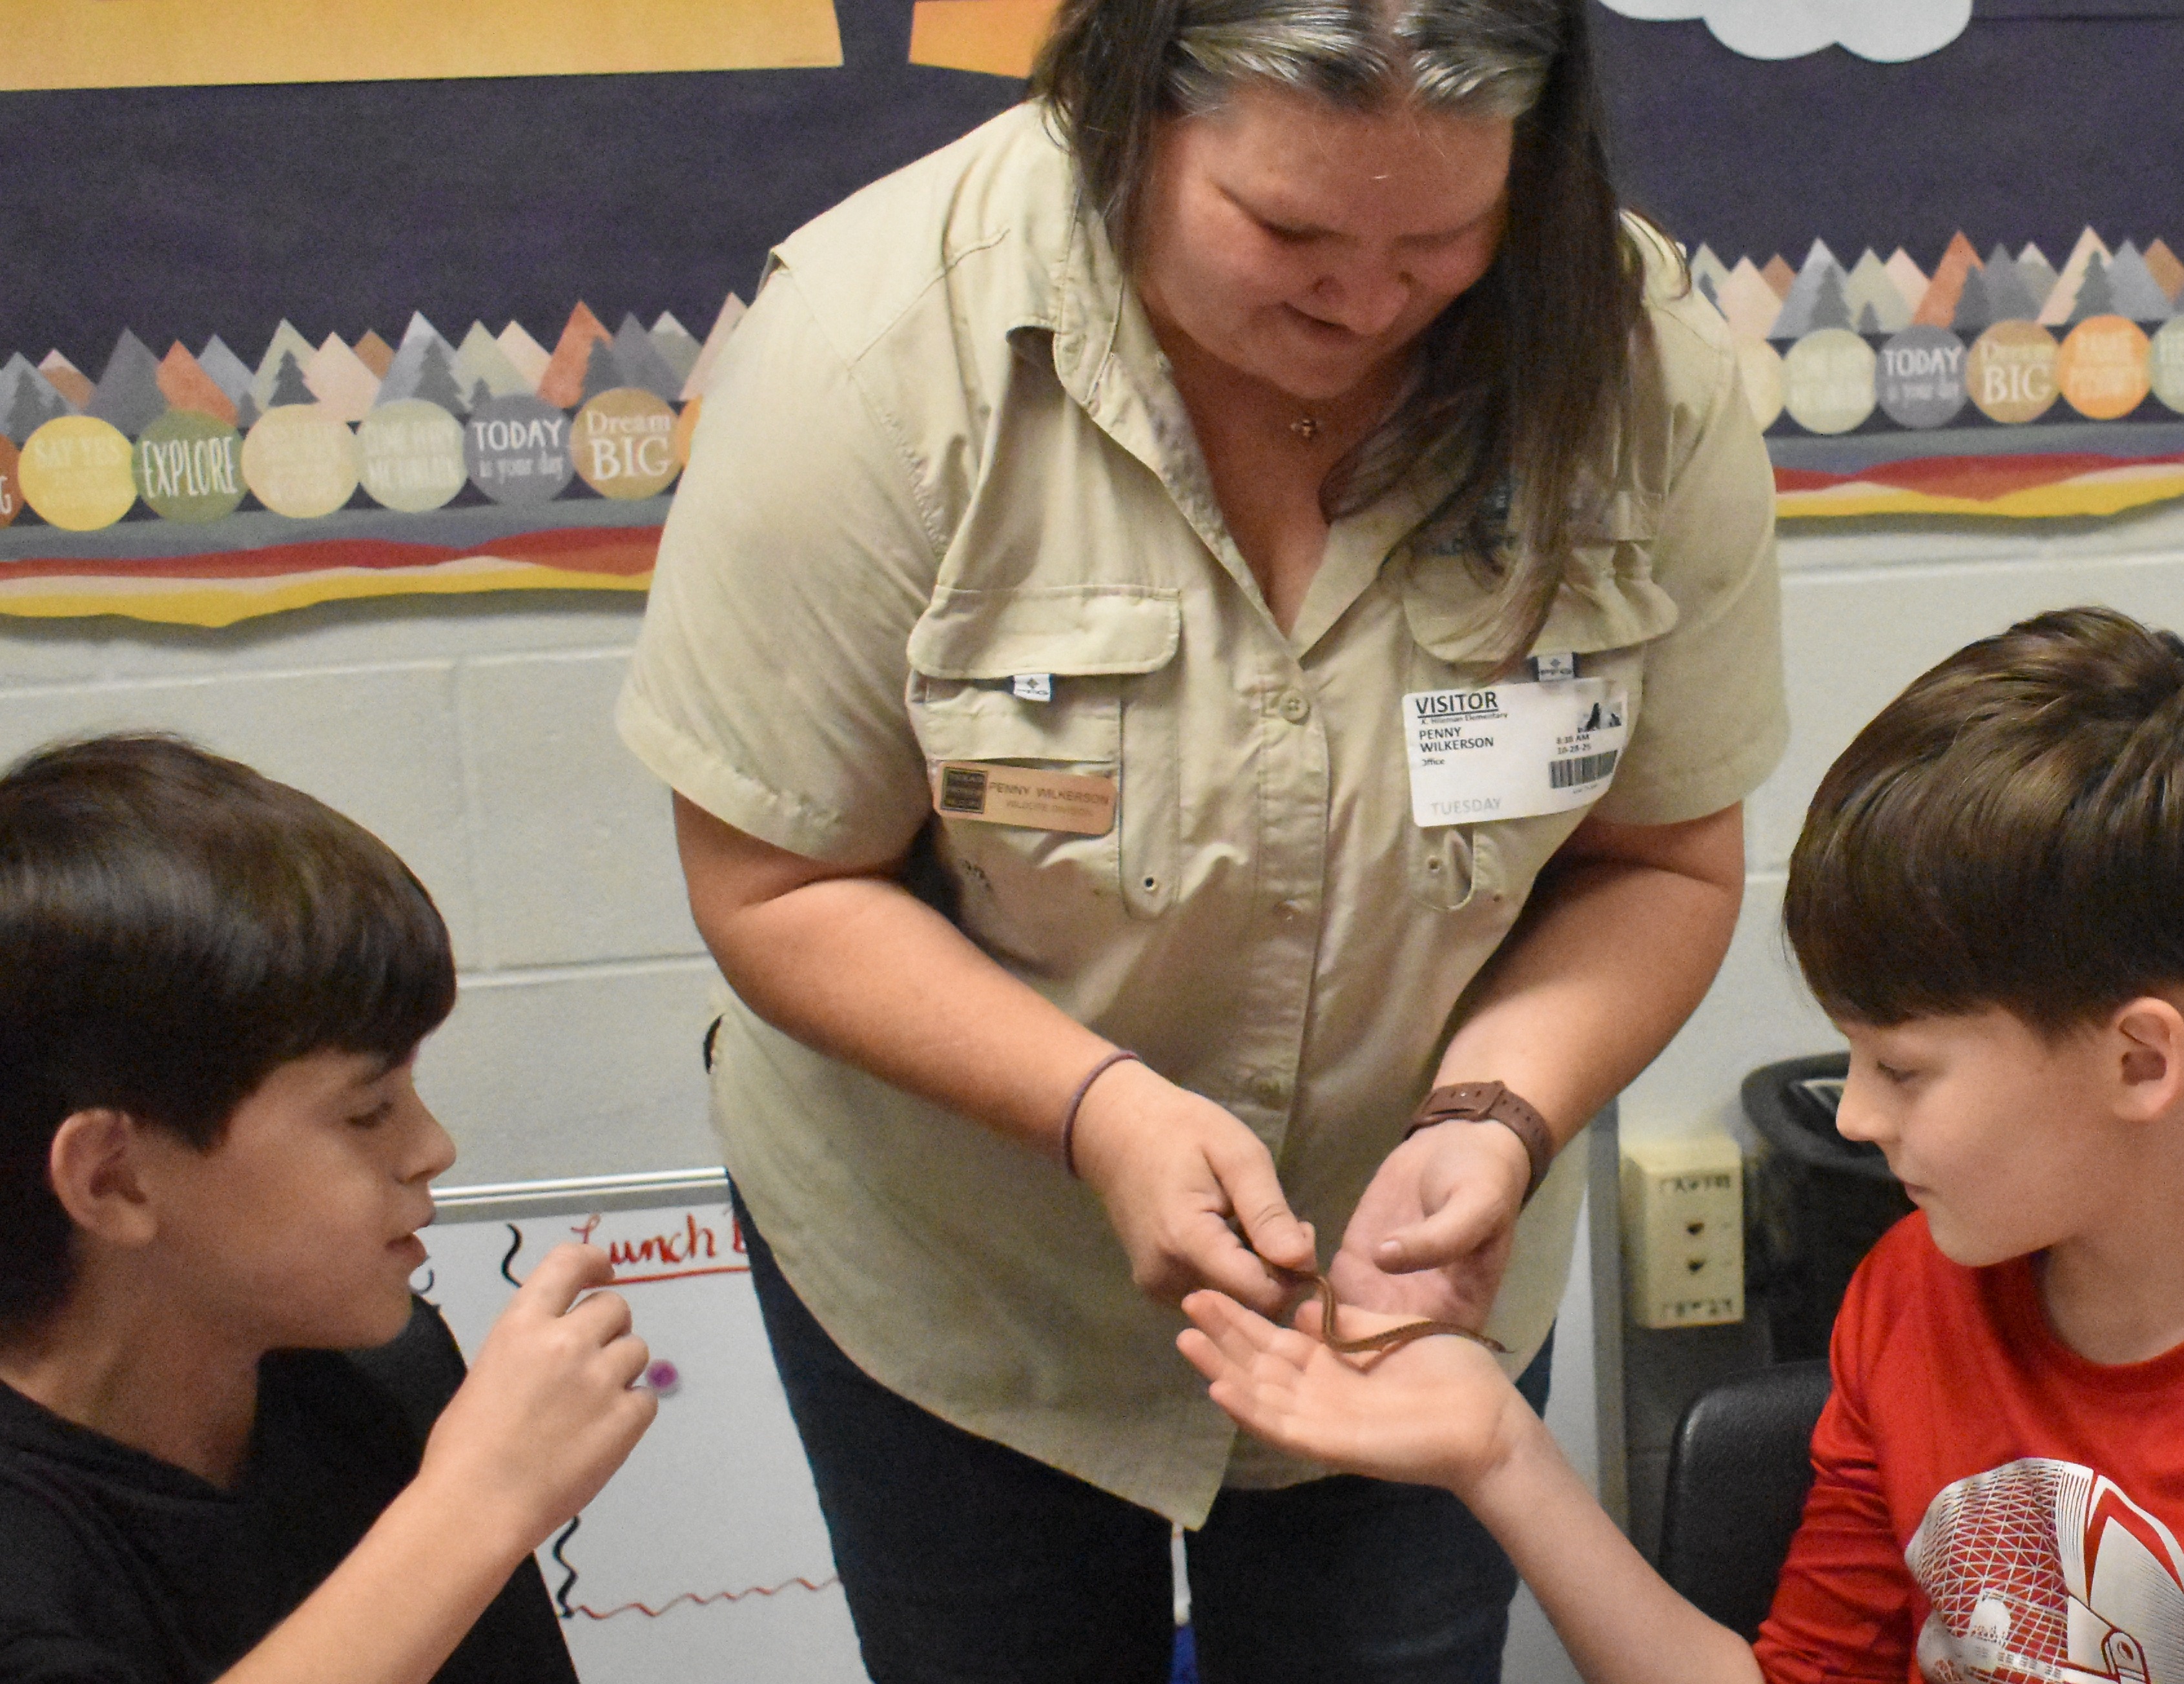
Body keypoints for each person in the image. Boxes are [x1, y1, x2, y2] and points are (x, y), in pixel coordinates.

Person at [612, 0, 1780, 1676]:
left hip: (1405, 1290)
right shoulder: (876, 350)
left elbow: (1660, 862)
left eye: (1445, 236)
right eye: (1288, 229)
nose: (1366, 300)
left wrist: (1498, 1114)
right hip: (965, 1282)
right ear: (1126, 113)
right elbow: (778, 882)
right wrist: (1099, 1113)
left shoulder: (1633, 360)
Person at [1177, 608, 2184, 1683]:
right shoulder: (1914, 1297)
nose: (1861, 1112)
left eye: (1904, 1061)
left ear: (2138, 1057)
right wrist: (1497, 1454)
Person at [0, 734, 658, 1684]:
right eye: (366, 1111)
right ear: (115, 1180)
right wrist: (476, 1504)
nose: (432, 1148)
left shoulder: (374, 1372)